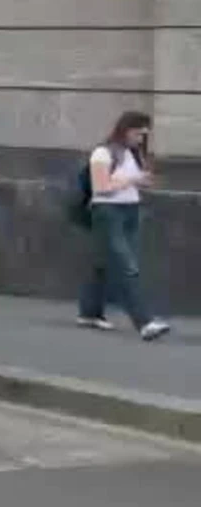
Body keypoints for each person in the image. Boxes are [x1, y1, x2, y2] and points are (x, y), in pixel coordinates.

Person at [78, 111, 171, 340]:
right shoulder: (103, 152)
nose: (140, 139)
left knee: (104, 262)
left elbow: (128, 183)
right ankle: (145, 322)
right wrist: (132, 180)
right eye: (139, 134)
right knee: (126, 265)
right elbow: (100, 186)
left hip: (130, 210)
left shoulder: (133, 154)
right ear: (127, 130)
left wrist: (144, 181)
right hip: (108, 212)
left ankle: (89, 312)